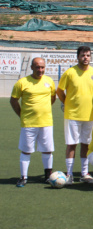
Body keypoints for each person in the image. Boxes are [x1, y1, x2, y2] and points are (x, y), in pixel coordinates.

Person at [56, 46, 93, 185]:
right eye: (83, 55)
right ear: (78, 57)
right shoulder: (69, 73)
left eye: (88, 55)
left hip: (89, 116)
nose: (85, 57)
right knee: (71, 144)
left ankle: (84, 173)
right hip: (72, 115)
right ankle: (69, 175)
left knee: (86, 144)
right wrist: (66, 102)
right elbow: (59, 91)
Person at [11, 57, 56, 187]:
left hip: (46, 122)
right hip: (28, 123)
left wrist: (43, 110)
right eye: (37, 67)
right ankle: (23, 177)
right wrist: (21, 115)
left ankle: (48, 175)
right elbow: (13, 100)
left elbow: (52, 98)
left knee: (47, 150)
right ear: (31, 68)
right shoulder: (22, 82)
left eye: (42, 67)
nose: (40, 70)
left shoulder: (49, 81)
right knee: (26, 150)